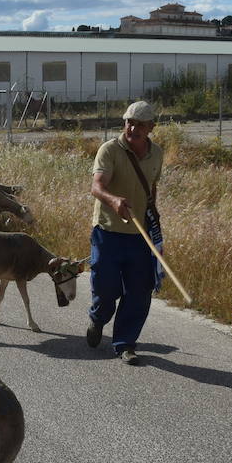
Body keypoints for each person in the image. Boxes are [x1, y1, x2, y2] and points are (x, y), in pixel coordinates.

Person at [87, 100, 164, 366]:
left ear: (151, 127)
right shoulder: (110, 150)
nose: (133, 128)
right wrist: (114, 201)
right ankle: (98, 318)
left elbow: (151, 187)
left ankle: (125, 344)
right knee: (106, 290)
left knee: (139, 291)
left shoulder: (157, 153)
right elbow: (97, 187)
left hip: (140, 236)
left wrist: (152, 213)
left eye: (140, 124)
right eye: (130, 122)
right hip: (107, 232)